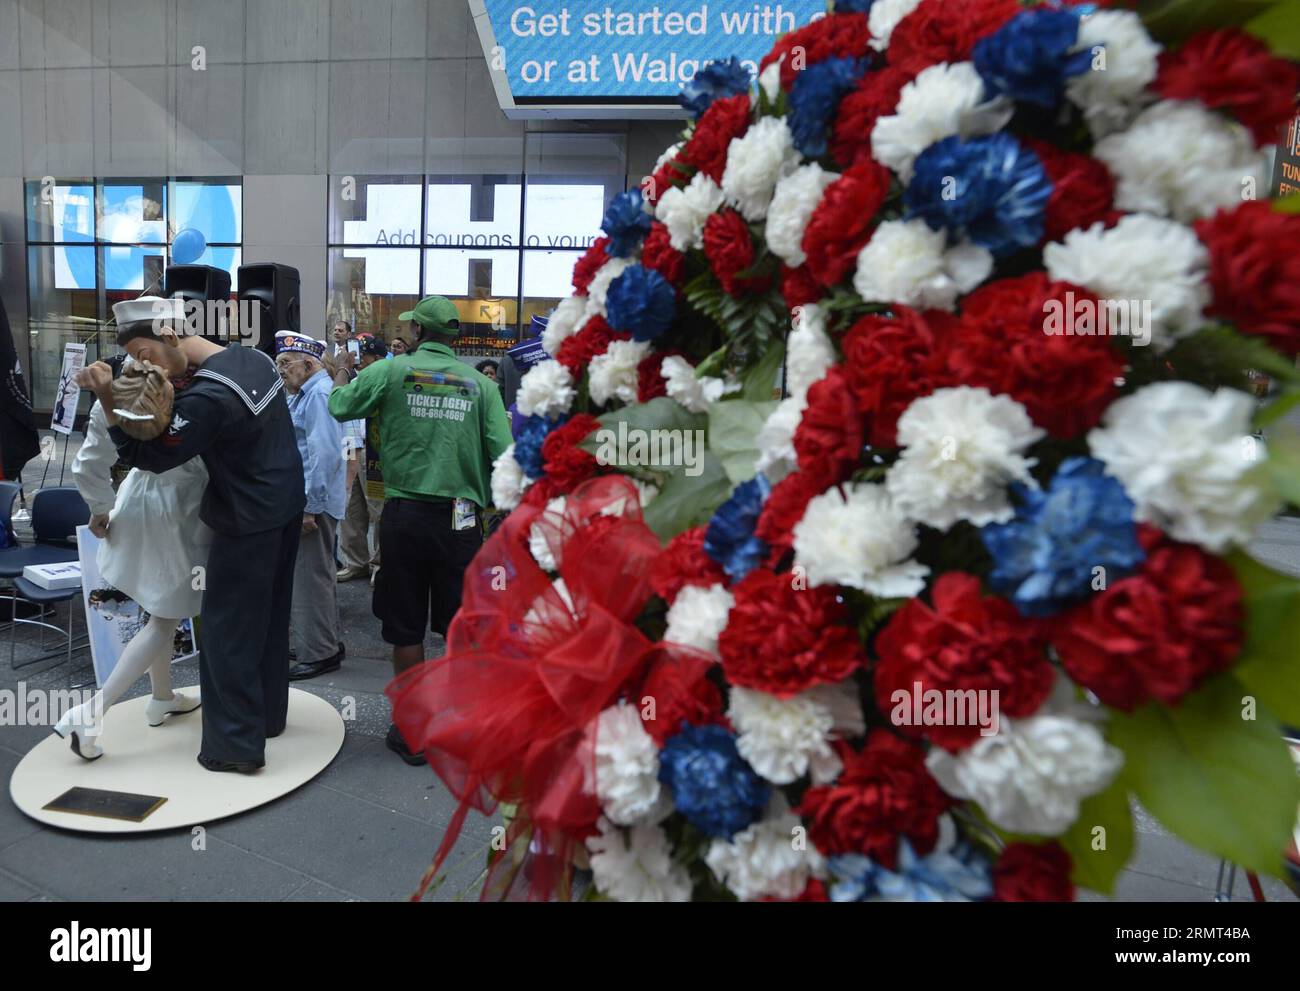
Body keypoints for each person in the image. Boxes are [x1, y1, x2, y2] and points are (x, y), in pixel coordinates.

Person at [75, 297, 305, 774]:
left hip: (246, 519)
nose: (143, 366)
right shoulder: (256, 359)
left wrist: (107, 402)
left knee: (227, 634)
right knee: (265, 622)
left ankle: (234, 747)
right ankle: (266, 718)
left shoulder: (209, 395)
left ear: (172, 336)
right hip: (283, 506)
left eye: (146, 353)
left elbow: (156, 456)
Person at [327, 295, 511, 765]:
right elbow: (506, 453)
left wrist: (345, 369)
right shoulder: (481, 385)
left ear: (417, 333)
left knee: (404, 625)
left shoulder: (391, 371)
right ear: (453, 337)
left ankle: (413, 730)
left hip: (405, 516)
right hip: (461, 521)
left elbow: (340, 406)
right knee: (458, 627)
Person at [56, 348, 212, 760]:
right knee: (163, 617)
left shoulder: (116, 388)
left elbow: (90, 460)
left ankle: (162, 696)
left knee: (157, 606)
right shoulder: (200, 383)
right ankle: (91, 712)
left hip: (140, 500)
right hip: (180, 510)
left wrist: (99, 508)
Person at [276, 332, 347, 682]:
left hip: (312, 503)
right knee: (315, 576)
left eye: (286, 364)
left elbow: (325, 454)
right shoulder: (304, 393)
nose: (281, 371)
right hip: (309, 500)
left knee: (309, 579)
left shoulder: (318, 394)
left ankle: (319, 652)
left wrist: (310, 508)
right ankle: (323, 640)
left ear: (309, 364)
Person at [336, 335, 388, 584]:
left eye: (363, 355)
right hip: (349, 446)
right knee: (350, 509)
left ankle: (379, 563)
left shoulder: (383, 379)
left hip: (372, 451)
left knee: (377, 510)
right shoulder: (351, 379)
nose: (358, 360)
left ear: (377, 357)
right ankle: (355, 562)